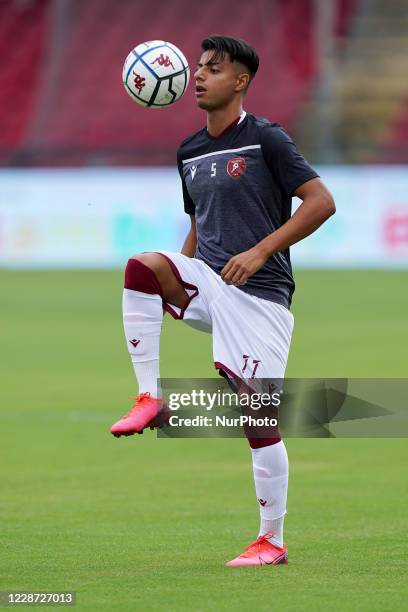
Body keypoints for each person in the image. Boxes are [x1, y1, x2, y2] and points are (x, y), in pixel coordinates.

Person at [110, 35, 335, 566]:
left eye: (213, 68)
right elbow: (197, 226)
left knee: (257, 418)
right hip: (211, 282)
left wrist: (259, 253)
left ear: (240, 81)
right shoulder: (189, 151)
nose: (201, 76)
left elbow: (321, 202)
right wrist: (176, 280)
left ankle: (271, 541)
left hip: (260, 298)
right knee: (142, 265)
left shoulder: (267, 140)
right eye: (198, 68)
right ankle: (149, 397)